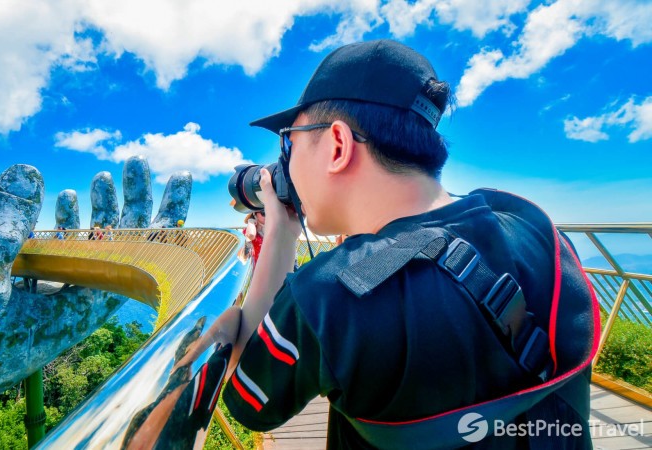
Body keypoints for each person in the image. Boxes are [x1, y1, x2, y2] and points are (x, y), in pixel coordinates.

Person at [213, 40, 598, 449]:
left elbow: (248, 399)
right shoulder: (534, 229)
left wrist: (279, 233)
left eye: (289, 141)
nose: (285, 163)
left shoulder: (329, 295)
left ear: (337, 145)